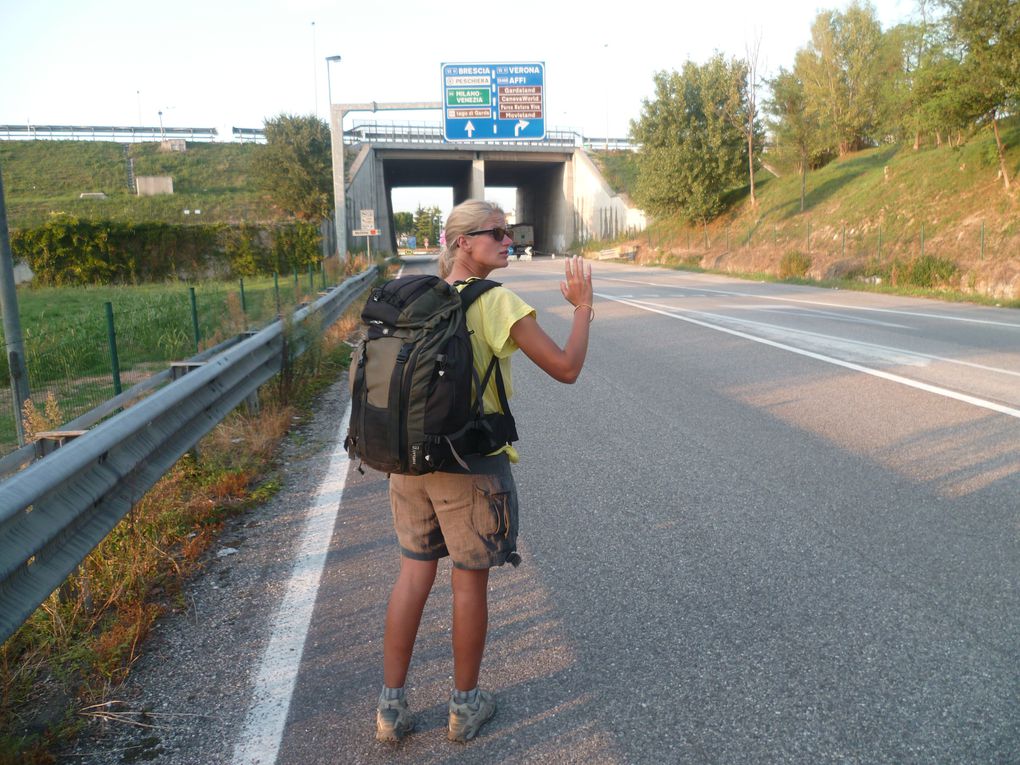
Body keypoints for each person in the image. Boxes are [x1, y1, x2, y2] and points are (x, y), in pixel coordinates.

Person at [375, 199, 594, 743]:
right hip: (470, 465)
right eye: (494, 233)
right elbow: (566, 368)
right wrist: (583, 308)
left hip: (407, 462)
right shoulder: (498, 303)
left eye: (508, 230)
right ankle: (464, 707)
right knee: (468, 585)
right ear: (462, 242)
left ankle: (390, 710)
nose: (507, 239)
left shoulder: (414, 299)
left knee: (413, 575)